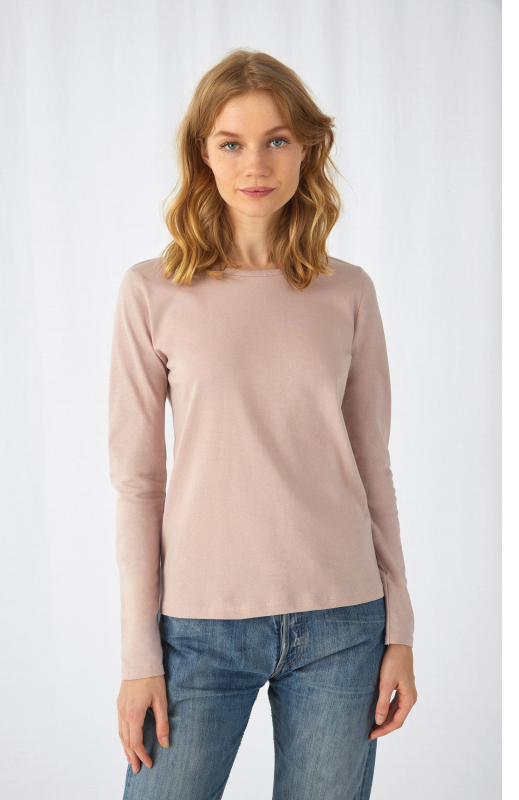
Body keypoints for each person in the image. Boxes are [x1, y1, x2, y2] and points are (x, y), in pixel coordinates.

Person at [109, 49, 417, 800]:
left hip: (343, 624)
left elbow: (372, 464)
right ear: (203, 153)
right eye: (232, 142)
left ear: (307, 148)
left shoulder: (348, 292)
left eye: (277, 139)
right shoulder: (152, 291)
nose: (256, 163)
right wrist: (139, 657)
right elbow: (139, 484)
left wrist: (400, 630)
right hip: (199, 631)